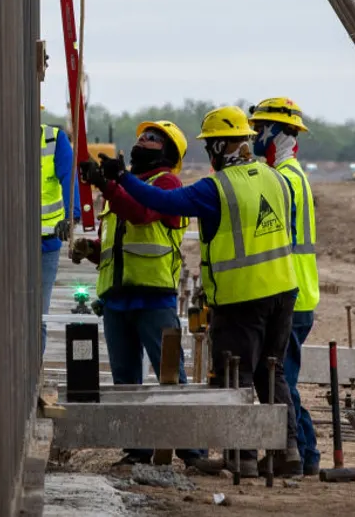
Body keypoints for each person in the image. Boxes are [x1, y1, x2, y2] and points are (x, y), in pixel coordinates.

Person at [108, 105, 301, 478]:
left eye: (211, 146)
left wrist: (121, 179)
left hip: (241, 295)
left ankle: (242, 457)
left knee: (237, 377)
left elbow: (164, 202)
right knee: (271, 373)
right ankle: (286, 451)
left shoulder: (218, 188)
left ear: (217, 148)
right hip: (284, 291)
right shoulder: (276, 178)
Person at [72, 121, 204, 467]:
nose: (143, 142)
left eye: (153, 139)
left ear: (168, 152)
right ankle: (137, 450)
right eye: (143, 137)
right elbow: (121, 240)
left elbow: (142, 214)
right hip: (117, 298)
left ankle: (192, 451)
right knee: (125, 380)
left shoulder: (166, 184)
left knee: (170, 376)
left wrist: (107, 185)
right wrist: (92, 247)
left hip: (153, 295)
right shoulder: (122, 187)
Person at [248, 97, 322, 476]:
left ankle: (302, 455)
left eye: (259, 128)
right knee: (284, 379)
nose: (255, 135)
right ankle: (305, 455)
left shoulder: (284, 180)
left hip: (290, 295)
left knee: (282, 380)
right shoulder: (293, 174)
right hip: (299, 292)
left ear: (277, 131)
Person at [39, 121, 81, 356]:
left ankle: (34, 369)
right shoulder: (2, 134)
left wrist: (71, 216)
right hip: (7, 243)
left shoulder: (54, 139)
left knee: (38, 316)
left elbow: (69, 178)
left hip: (46, 242)